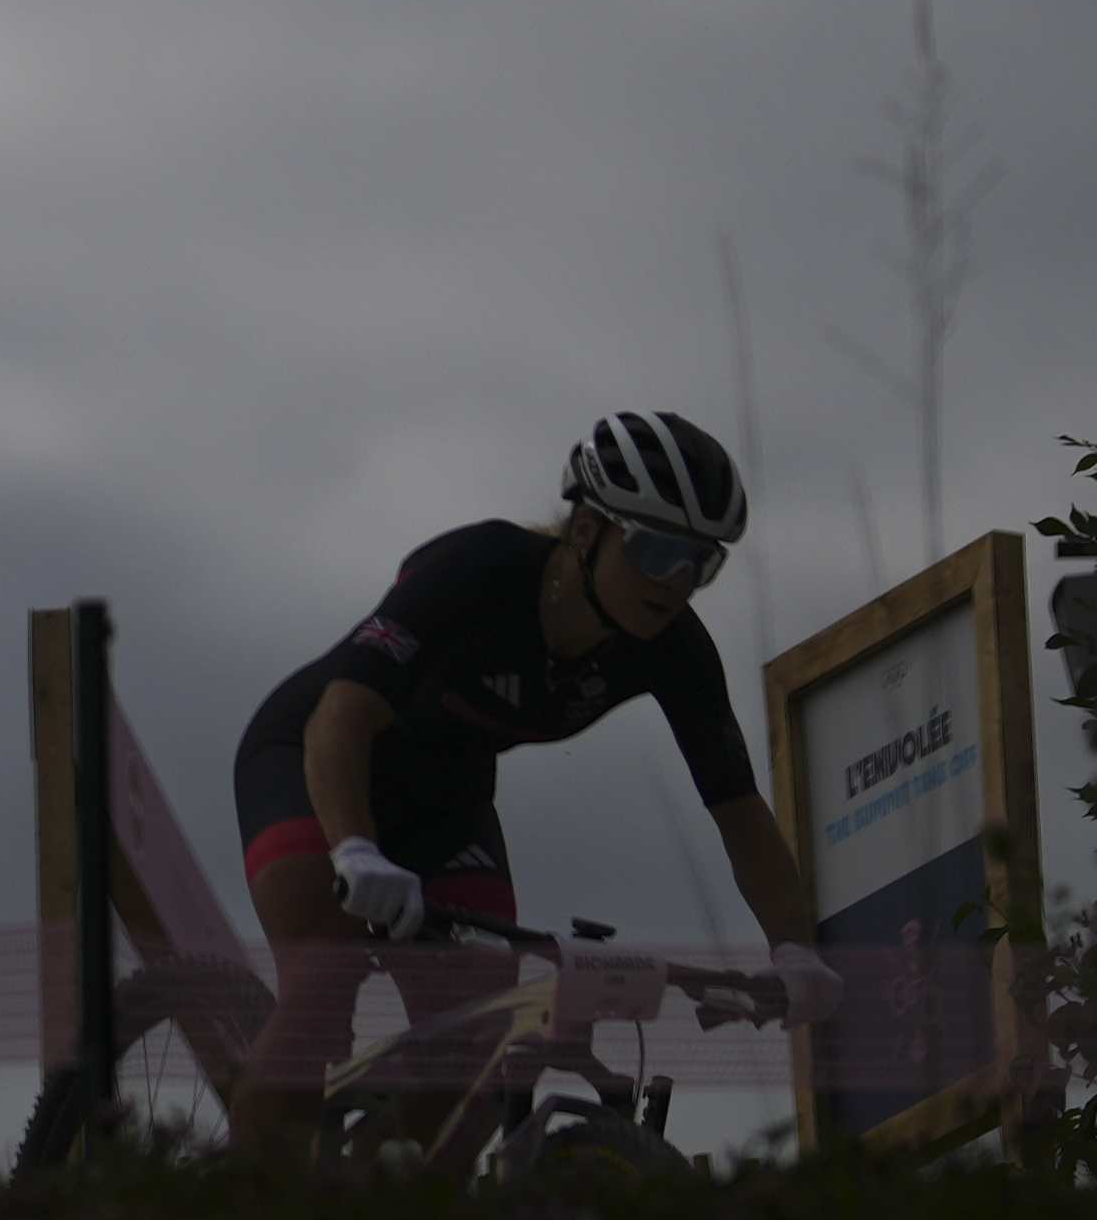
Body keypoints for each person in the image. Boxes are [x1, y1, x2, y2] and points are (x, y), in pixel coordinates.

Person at [226, 410, 845, 1156]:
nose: (677, 582)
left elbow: (741, 815)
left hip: (446, 808)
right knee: (324, 989)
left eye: (700, 562)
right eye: (654, 549)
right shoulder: (480, 568)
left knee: (483, 1061)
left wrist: (795, 952)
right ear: (585, 531)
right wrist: (355, 847)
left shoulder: (674, 649)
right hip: (315, 763)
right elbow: (340, 717)